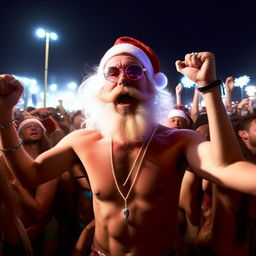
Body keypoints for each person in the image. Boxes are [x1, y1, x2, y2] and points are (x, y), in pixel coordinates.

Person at [0, 36, 244, 256]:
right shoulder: (82, 141)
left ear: (151, 86)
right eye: (113, 72)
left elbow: (227, 168)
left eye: (135, 71)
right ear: (101, 88)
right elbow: (31, 175)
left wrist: (210, 88)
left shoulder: (179, 141)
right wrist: (4, 113)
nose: (123, 78)